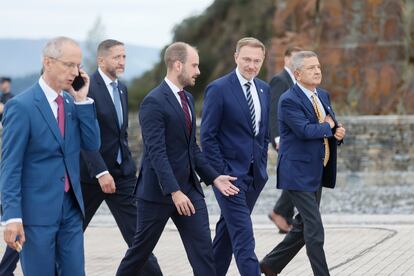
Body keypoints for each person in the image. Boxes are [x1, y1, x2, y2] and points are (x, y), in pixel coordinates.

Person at [116, 42, 239, 276]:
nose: (198, 71)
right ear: (177, 64)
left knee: (204, 254)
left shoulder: (188, 100)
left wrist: (214, 178)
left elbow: (192, 148)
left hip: (189, 190)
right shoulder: (153, 102)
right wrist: (174, 191)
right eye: (194, 65)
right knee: (139, 254)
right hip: (158, 194)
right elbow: (156, 152)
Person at [0, 37, 100, 276]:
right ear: (48, 62)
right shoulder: (21, 106)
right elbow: (10, 166)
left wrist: (83, 100)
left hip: (72, 210)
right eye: (68, 65)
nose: (75, 72)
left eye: (78, 65)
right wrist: (11, 216)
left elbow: (92, 143)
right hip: (36, 214)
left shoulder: (71, 102)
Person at [79, 39, 162, 275]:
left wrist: (128, 164)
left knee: (139, 236)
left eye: (124, 57)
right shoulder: (87, 88)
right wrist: (100, 172)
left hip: (122, 175)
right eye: (117, 57)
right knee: (71, 232)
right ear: (101, 60)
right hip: (90, 175)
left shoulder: (122, 88)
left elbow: (120, 133)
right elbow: (84, 137)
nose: (122, 61)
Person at [259, 51, 346, 276]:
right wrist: (328, 127)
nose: (317, 71)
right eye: (311, 68)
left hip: (317, 170)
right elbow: (305, 130)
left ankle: (270, 265)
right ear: (297, 74)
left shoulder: (323, 95)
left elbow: (330, 124)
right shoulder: (289, 100)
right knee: (314, 229)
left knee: (302, 226)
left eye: (318, 66)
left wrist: (338, 132)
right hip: (296, 173)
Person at [200, 37, 270, 276]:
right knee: (243, 234)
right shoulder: (219, 89)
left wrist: (261, 165)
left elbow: (263, 134)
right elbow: (207, 136)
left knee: (227, 233)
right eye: (247, 59)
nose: (251, 65)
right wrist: (220, 173)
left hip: (255, 176)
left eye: (257, 61)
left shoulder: (264, 88)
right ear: (236, 57)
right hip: (229, 178)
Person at [267, 46, 302, 233]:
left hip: (296, 139)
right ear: (286, 59)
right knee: (294, 176)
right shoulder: (280, 80)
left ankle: (284, 216)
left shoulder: (297, 80)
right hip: (285, 140)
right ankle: (279, 212)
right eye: (295, 57)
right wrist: (278, 138)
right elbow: (274, 111)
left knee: (294, 176)